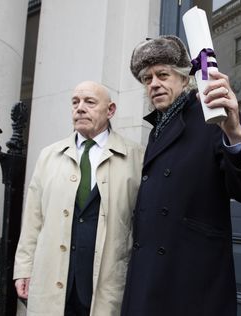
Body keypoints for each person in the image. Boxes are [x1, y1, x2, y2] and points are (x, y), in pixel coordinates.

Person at [120, 35, 241, 316]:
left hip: (192, 276)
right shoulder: (157, 129)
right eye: (147, 79)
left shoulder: (213, 115)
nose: (154, 84)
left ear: (184, 79)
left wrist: (235, 133)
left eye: (163, 74)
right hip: (150, 272)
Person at [13, 81, 144, 315]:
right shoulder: (48, 155)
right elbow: (33, 218)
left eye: (90, 102)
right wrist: (23, 268)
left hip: (105, 284)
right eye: (75, 102)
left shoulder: (137, 157)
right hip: (52, 279)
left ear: (110, 110)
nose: (80, 108)